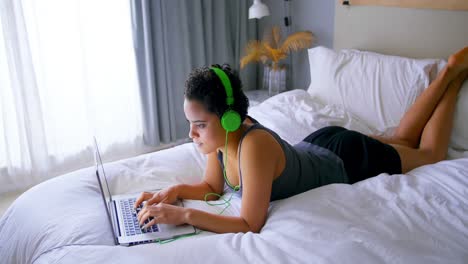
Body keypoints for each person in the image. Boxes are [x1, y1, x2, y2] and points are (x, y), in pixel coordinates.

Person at [135, 47, 468, 234]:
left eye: (198, 125)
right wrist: (174, 193)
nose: (191, 135)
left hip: (346, 159)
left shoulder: (252, 145)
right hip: (322, 142)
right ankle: (449, 75)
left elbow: (251, 222)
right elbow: (212, 185)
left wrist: (186, 216)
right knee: (400, 138)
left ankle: (452, 76)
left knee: (427, 154)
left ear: (229, 117)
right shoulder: (221, 140)